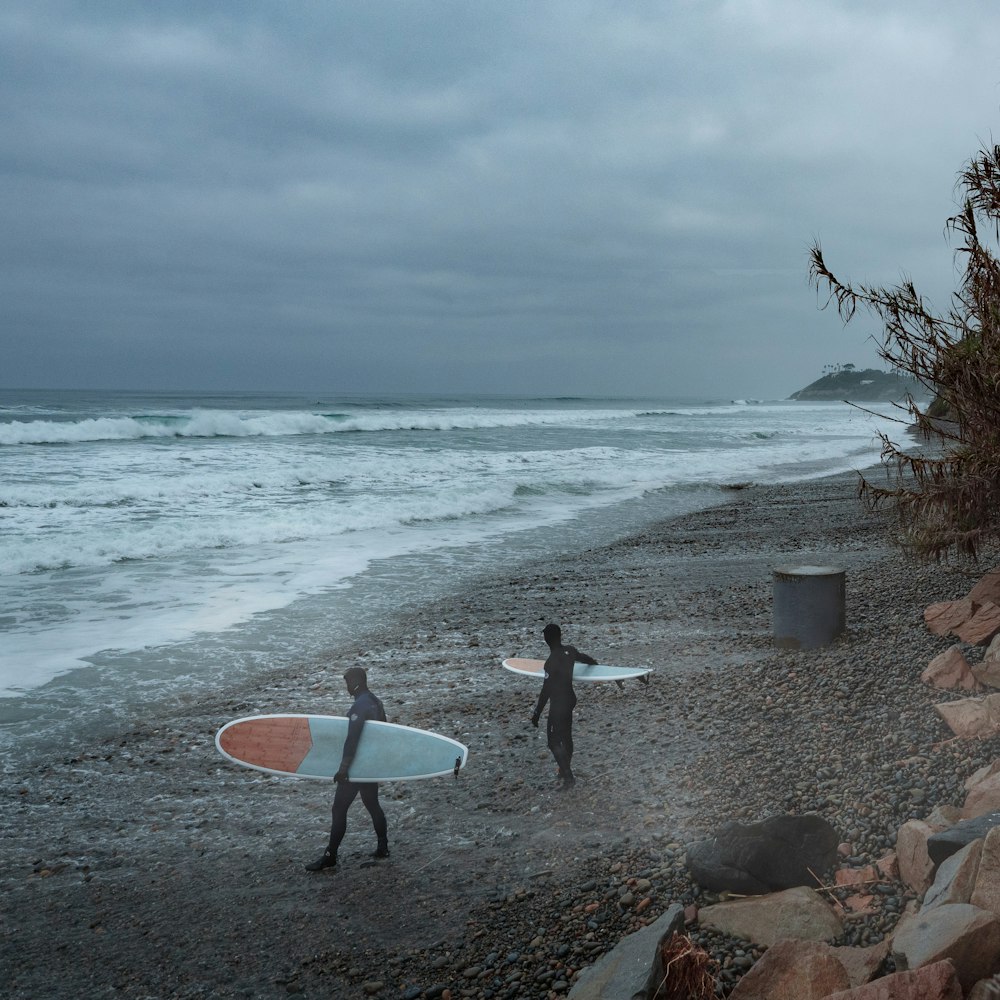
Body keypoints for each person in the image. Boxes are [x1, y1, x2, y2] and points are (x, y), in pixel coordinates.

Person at [305, 666, 389, 871]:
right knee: (372, 803)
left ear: (356, 682)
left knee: (339, 808)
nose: (347, 687)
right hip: (370, 765)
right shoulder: (375, 701)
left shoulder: (360, 706)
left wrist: (343, 769)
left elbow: (353, 739)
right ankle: (383, 847)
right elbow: (384, 733)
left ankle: (330, 855)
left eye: (348, 682)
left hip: (358, 767)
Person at [530, 623, 597, 789]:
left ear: (548, 639)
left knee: (553, 742)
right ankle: (564, 769)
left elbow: (546, 690)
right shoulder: (570, 651)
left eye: (546, 636)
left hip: (558, 703)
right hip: (570, 699)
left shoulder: (550, 663)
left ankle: (568, 777)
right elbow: (584, 658)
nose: (544, 638)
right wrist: (596, 664)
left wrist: (537, 712)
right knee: (566, 737)